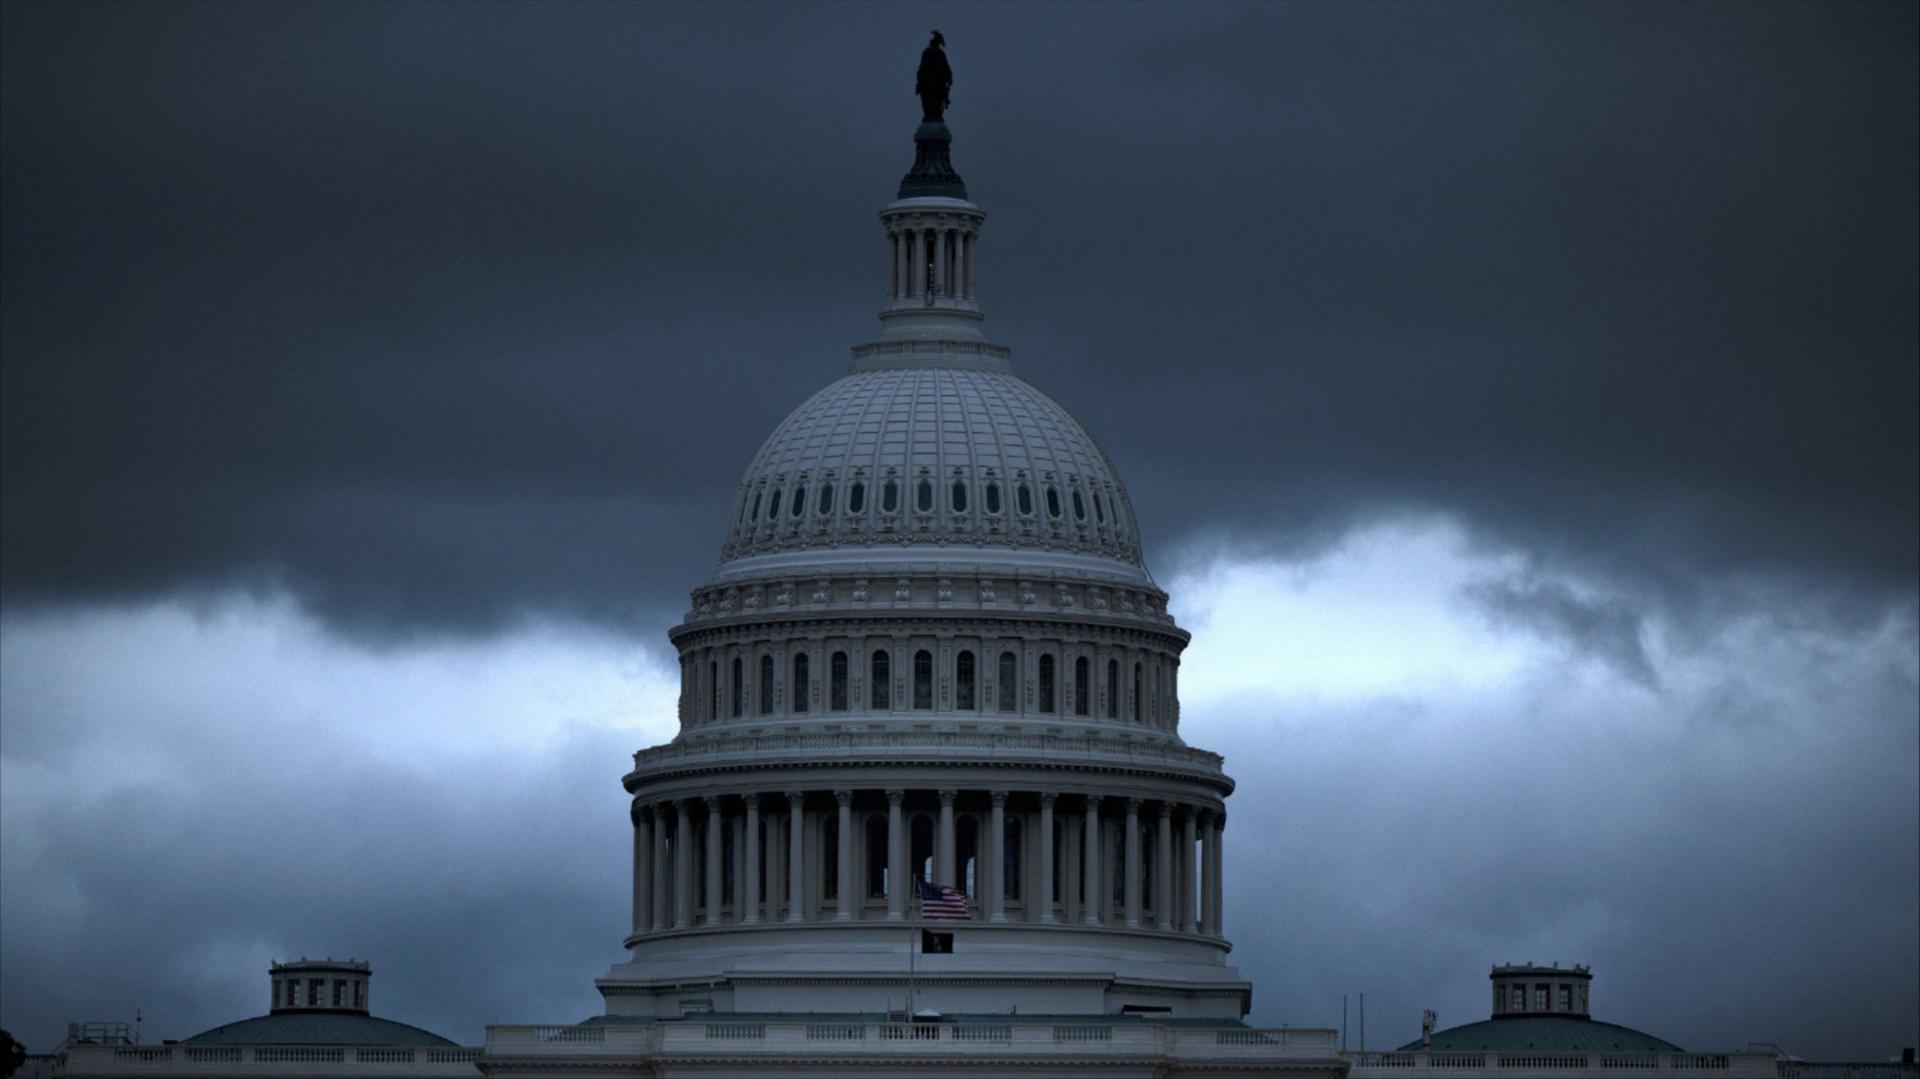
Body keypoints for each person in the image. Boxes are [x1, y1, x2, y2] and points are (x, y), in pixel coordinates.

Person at [916, 30, 951, 122]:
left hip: (936, 83)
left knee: (935, 101)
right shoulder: (931, 53)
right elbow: (922, 68)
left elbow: (946, 68)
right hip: (930, 84)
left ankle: (934, 116)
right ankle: (932, 116)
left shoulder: (936, 53)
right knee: (931, 101)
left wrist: (949, 78)